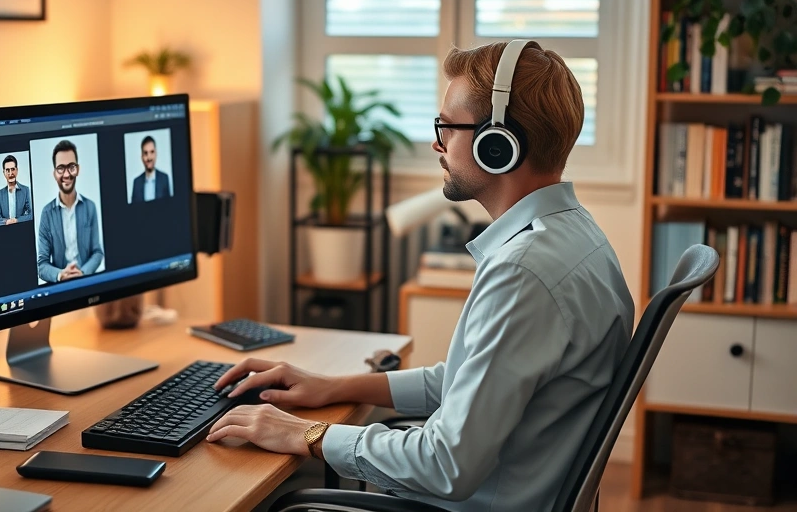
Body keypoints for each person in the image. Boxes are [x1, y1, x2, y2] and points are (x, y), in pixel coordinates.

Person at [206, 41, 634, 511]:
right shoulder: (577, 234)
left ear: (499, 145)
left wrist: (303, 432)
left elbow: (446, 465)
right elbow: (465, 383)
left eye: (447, 127)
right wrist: (335, 386)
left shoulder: (524, 273)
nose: (437, 143)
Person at [37, 140, 104, 283]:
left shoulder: (90, 207)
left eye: (71, 167)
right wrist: (61, 275)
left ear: (77, 169)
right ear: (55, 173)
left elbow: (97, 253)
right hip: (61, 289)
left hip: (86, 282)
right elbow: (41, 265)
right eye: (61, 168)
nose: (67, 174)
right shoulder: (47, 214)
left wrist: (83, 273)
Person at [130, 136, 171, 203]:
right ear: (142, 157)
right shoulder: (136, 182)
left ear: (156, 154)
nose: (149, 158)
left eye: (152, 152)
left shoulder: (164, 178)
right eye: (145, 153)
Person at [0, 154, 32, 226]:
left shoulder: (25, 190)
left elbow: (31, 215)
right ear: (4, 173)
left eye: (13, 169)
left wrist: (17, 220)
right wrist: (6, 222)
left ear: (17, 170)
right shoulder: (0, 194)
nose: (11, 173)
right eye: (7, 170)